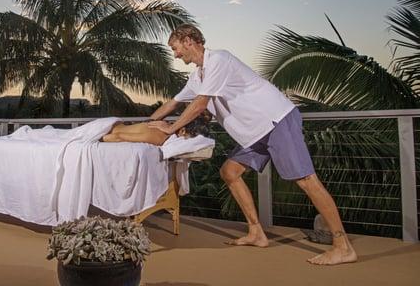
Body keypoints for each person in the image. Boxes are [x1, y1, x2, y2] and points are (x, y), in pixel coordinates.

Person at [147, 24, 357, 266]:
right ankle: (257, 233)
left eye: (175, 48)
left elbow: (200, 104)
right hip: (255, 134)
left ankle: (343, 246)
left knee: (306, 181)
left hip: (276, 121)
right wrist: (147, 125)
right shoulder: (198, 77)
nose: (175, 54)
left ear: (188, 40)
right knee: (230, 171)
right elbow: (172, 104)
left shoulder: (219, 59)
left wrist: (170, 128)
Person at [101, 112, 211, 146]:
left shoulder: (163, 126)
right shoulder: (159, 137)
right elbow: (118, 137)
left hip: (112, 125)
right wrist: (96, 141)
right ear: (182, 131)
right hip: (105, 129)